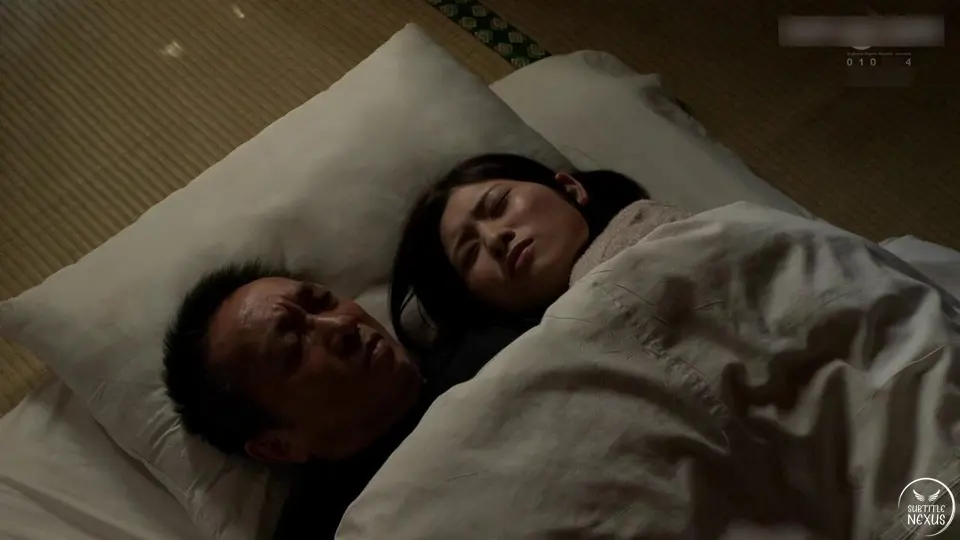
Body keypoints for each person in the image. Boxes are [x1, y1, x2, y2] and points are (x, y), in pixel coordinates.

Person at [162, 262, 523, 539]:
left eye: (323, 303)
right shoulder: (328, 529)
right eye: (294, 348)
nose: (341, 325)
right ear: (278, 446)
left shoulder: (502, 339)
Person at [389, 153, 689, 352]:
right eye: (470, 253)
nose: (493, 239)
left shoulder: (657, 229)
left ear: (571, 188)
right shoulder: (530, 360)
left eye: (499, 205)